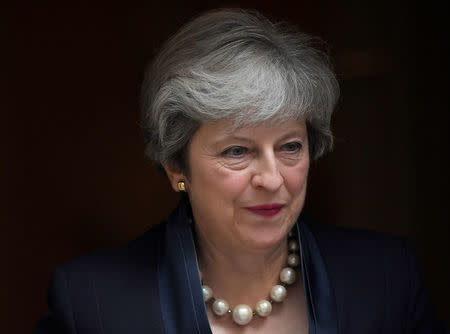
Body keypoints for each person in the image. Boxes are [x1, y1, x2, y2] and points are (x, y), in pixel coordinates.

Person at [34, 8, 447, 334]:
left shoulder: (385, 279)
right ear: (176, 167)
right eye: (237, 151)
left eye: (289, 147)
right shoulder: (93, 302)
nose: (271, 179)